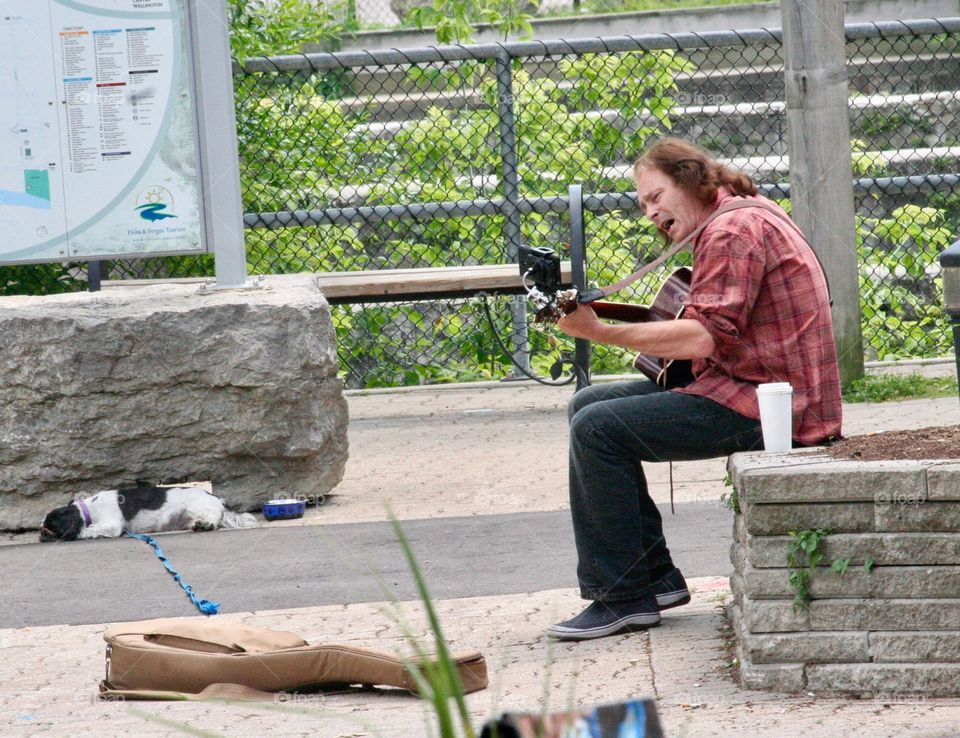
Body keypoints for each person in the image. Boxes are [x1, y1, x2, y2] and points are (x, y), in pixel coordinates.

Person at [546, 137, 842, 640]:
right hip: (752, 386)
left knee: (598, 429)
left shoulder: (732, 231)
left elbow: (703, 334)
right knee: (587, 404)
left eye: (655, 196)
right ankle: (655, 579)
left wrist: (597, 332)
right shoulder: (743, 211)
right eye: (642, 204)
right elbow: (714, 325)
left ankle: (621, 598)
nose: (649, 212)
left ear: (688, 179)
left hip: (774, 408)